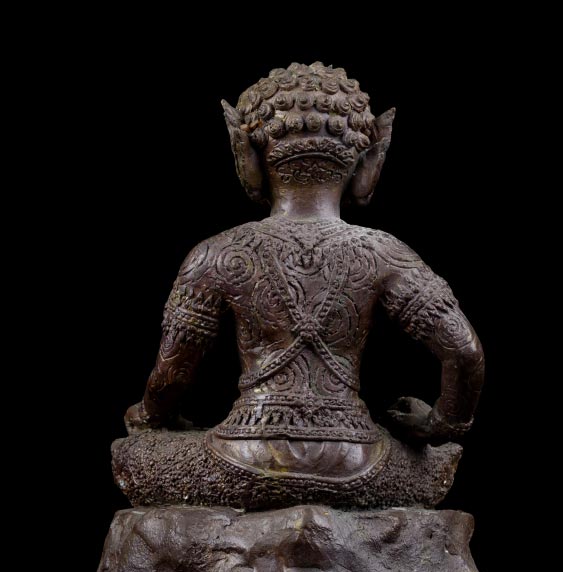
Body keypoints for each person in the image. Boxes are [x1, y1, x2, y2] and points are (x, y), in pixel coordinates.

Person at [113, 62, 483, 510]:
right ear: (369, 163)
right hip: (359, 465)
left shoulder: (218, 252)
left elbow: (170, 378)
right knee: (433, 463)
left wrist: (148, 415)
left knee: (135, 453)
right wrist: (441, 425)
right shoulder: (384, 252)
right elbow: (464, 352)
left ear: (246, 156)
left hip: (242, 459)